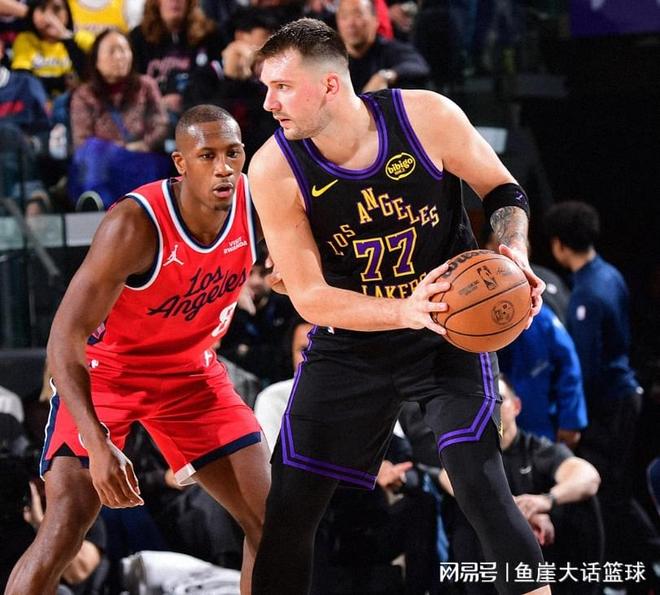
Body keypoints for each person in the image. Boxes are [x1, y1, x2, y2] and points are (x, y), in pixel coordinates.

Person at [248, 18, 547, 595]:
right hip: (352, 340)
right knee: (287, 512)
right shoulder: (273, 167)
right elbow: (309, 297)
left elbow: (504, 191)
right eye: (266, 87)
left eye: (281, 87)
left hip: (448, 334)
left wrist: (513, 249)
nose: (269, 103)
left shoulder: (425, 116)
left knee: (481, 487)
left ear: (330, 85)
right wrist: (405, 310)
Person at [5, 104, 271, 595]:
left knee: (275, 525)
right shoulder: (133, 224)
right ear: (180, 163)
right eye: (207, 155)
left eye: (233, 153)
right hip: (109, 376)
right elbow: (64, 336)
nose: (224, 168)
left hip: (193, 376)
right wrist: (96, 441)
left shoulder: (258, 204)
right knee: (65, 524)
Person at [545, 201, 660, 578]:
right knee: (617, 490)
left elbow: (585, 370)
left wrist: (573, 420)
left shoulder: (587, 295)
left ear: (559, 244)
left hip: (609, 405)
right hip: (623, 396)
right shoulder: (610, 274)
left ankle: (643, 566)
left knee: (609, 493)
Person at [439, 377, 602, 595]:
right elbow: (447, 477)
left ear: (516, 406)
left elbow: (588, 476)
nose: (491, 409)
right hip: (489, 561)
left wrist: (544, 501)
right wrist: (521, 514)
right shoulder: (468, 458)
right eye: (482, 403)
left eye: (499, 400)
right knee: (463, 508)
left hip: (546, 556)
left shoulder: (536, 449)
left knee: (584, 501)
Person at [69, 29, 170, 209]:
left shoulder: (146, 85)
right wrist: (116, 148)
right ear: (96, 60)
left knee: (152, 163)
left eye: (124, 50)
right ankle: (96, 200)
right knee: (92, 149)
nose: (119, 56)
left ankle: (138, 205)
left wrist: (144, 144)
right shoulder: (84, 94)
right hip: (103, 160)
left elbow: (161, 124)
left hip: (140, 156)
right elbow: (81, 140)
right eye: (112, 51)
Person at [497, 303, 587, 447]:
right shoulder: (469, 327)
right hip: (499, 434)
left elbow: (569, 367)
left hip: (545, 427)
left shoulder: (541, 320)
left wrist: (570, 421)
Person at [336, 0, 429, 93]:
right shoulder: (334, 58)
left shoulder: (389, 49)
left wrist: (385, 76)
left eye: (358, 15)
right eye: (344, 16)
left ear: (375, 20)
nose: (350, 24)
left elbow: (418, 66)